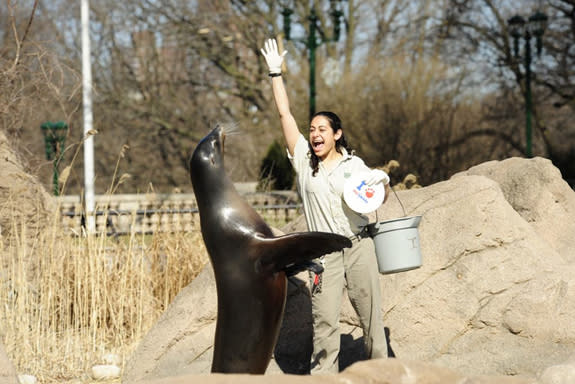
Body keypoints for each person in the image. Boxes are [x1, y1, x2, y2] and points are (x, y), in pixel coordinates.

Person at [260, 38, 389, 374]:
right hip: (324, 253)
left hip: (359, 245)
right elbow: (284, 113)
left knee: (371, 319)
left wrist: (381, 184)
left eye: (322, 129)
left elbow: (376, 199)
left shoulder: (354, 166)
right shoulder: (304, 161)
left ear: (336, 134)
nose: (314, 134)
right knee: (325, 323)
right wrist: (276, 73)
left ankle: (384, 375)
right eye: (312, 129)